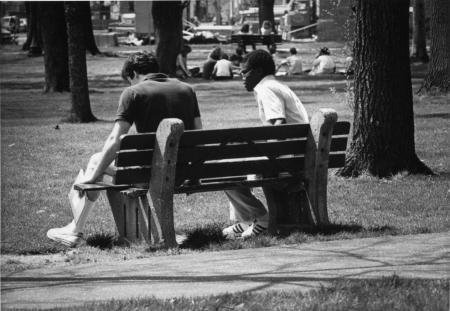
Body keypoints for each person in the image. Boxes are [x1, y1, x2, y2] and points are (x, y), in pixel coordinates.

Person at [47, 51, 203, 247]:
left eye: (129, 79)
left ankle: (74, 230)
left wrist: (91, 178)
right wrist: (195, 173)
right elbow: (199, 133)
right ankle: (132, 235)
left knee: (96, 161)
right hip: (183, 173)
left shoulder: (133, 92)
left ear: (134, 73)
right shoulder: (187, 89)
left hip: (150, 174)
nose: (130, 84)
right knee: (109, 177)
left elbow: (115, 138)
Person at [222, 49, 309, 239]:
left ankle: (259, 218)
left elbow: (278, 124)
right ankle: (246, 219)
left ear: (258, 71)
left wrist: (266, 155)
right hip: (296, 153)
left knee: (224, 170)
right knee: (233, 164)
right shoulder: (276, 85)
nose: (241, 77)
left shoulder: (266, 88)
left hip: (285, 159)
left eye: (245, 72)